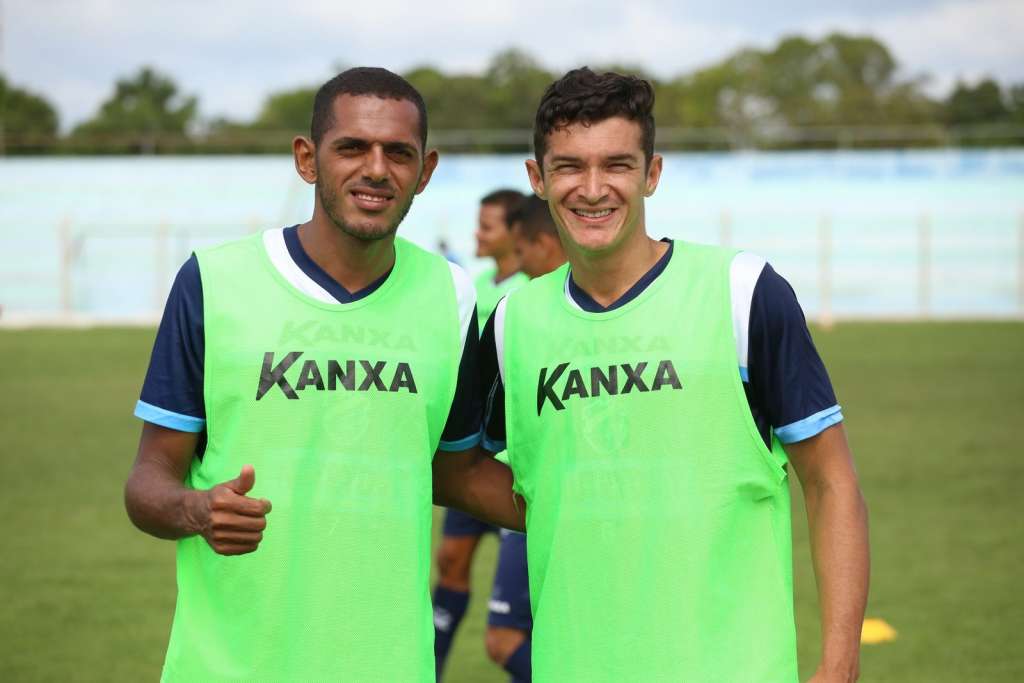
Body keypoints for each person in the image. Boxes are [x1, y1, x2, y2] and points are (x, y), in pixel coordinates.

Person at [124, 67, 520, 682]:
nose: (376, 169)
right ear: (307, 159)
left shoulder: (452, 295)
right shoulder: (213, 281)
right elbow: (148, 482)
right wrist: (196, 509)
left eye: (398, 153)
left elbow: (458, 474)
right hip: (230, 667)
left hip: (388, 666)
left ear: (426, 170)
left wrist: (596, 503)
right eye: (352, 147)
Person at [478, 68, 870, 681]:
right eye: (569, 167)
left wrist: (839, 663)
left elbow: (830, 482)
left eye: (617, 165)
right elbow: (457, 469)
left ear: (652, 174)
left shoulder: (742, 293)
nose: (593, 188)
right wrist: (576, 507)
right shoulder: (511, 324)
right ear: (538, 178)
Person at [432, 188, 528, 681]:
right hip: (470, 457)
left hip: (514, 467)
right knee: (450, 561)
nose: (477, 234)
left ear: (517, 232)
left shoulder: (537, 291)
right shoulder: (475, 288)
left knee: (511, 626)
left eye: (488, 225)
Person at [482, 195, 566, 683]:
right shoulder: (513, 311)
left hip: (533, 496)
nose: (517, 262)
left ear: (544, 244)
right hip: (502, 482)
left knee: (506, 637)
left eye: (522, 250)